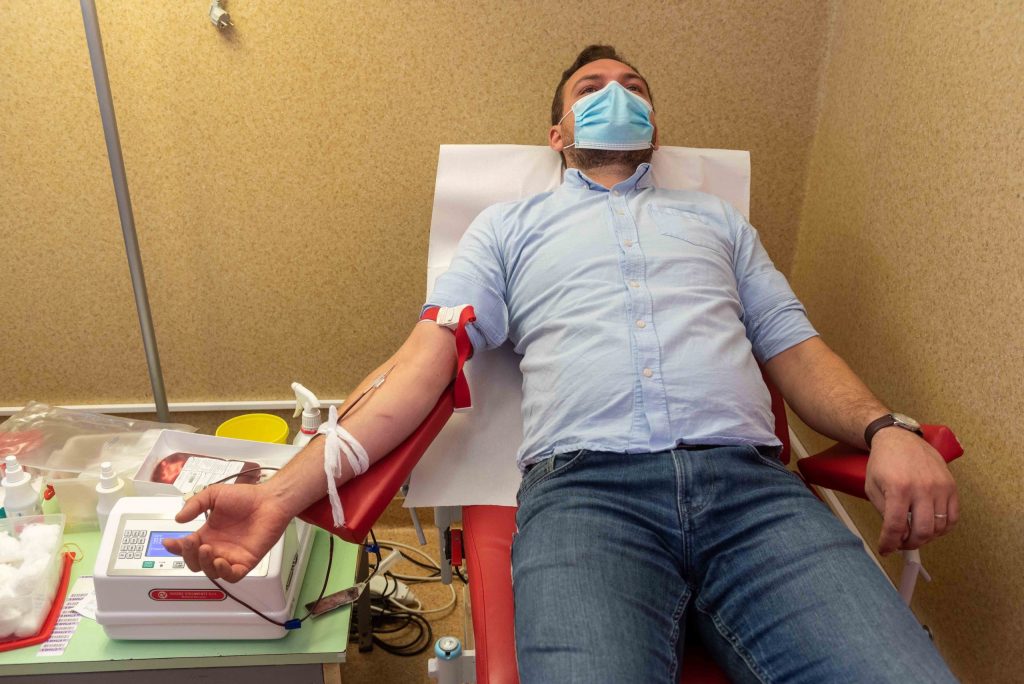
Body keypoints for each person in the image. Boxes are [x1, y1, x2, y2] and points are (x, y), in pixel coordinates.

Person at [164, 45, 960, 683]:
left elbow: (796, 347)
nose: (617, 93)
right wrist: (279, 494)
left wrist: (885, 428)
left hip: (755, 497)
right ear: (557, 134)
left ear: (653, 129)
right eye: (593, 86)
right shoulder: (506, 229)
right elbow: (421, 365)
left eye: (634, 87)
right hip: (589, 501)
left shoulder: (718, 222)